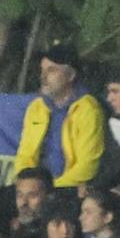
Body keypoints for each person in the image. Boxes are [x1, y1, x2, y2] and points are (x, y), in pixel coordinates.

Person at [12, 44, 106, 188]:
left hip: (69, 189)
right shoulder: (36, 107)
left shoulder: (88, 109)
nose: (43, 77)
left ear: (71, 75)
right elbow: (25, 155)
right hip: (37, 188)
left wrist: (51, 188)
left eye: (51, 70)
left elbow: (87, 166)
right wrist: (26, 183)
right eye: (42, 70)